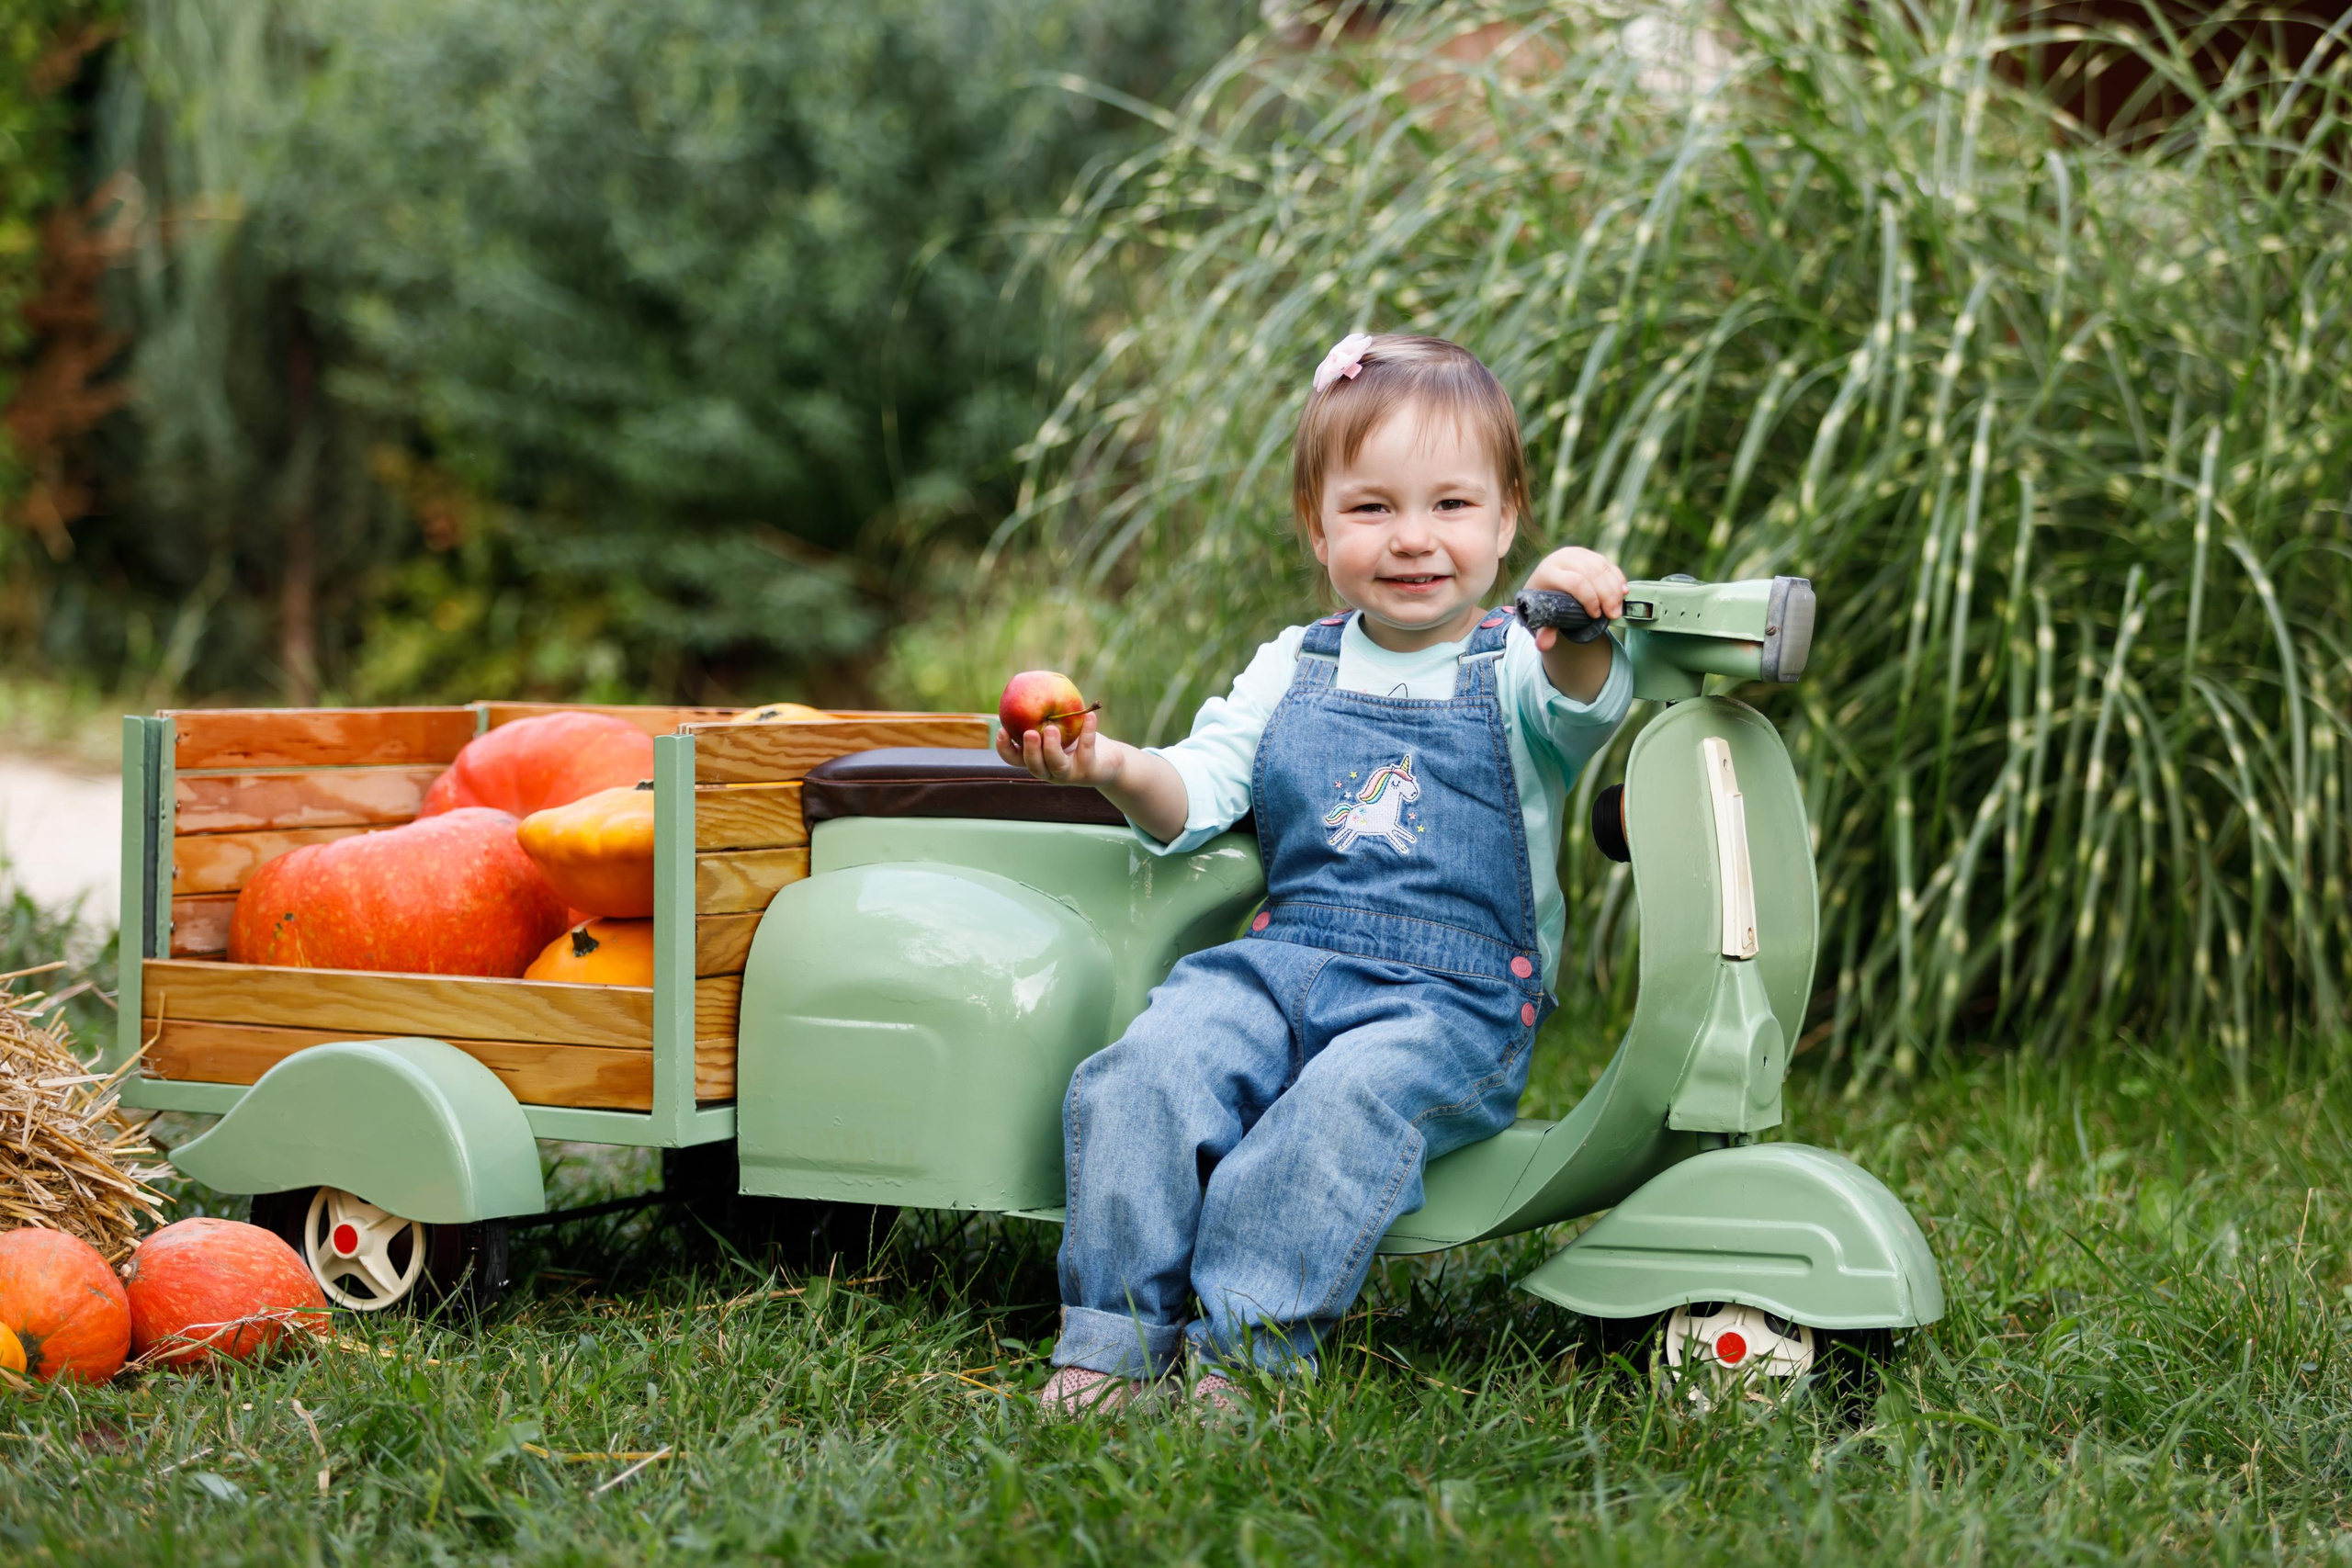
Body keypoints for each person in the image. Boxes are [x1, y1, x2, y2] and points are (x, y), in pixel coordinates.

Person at [997, 332, 1633, 1416]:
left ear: (1506, 518)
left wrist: (1574, 605)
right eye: (1372, 508)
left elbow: (1582, 698)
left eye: (1451, 506)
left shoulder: (1520, 665)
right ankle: (1112, 1344)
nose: (1413, 540)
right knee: (1143, 1070)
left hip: (1452, 999)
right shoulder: (1293, 664)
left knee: (1333, 1112)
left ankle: (1243, 1357)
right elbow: (1193, 793)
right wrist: (1103, 763)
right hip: (1283, 963)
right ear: (1317, 524)